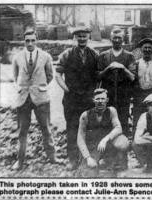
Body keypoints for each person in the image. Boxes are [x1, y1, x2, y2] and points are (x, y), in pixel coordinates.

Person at [55, 25, 99, 170]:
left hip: (88, 99)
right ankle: (73, 160)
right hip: (72, 100)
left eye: (84, 35)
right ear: (75, 37)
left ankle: (88, 157)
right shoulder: (66, 54)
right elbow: (58, 74)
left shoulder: (94, 54)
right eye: (78, 36)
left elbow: (99, 75)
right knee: (72, 128)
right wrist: (66, 89)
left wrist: (96, 92)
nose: (81, 38)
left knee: (89, 128)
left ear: (88, 37)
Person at [11, 29, 55, 170]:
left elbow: (50, 76)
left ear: (37, 40)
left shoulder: (46, 56)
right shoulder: (17, 57)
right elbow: (15, 77)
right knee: (22, 131)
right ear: (24, 41)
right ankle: (20, 160)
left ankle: (52, 157)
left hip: (41, 98)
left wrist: (39, 87)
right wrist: (22, 88)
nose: (30, 43)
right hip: (23, 99)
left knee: (46, 128)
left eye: (33, 40)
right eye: (27, 40)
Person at [77, 88, 130, 177]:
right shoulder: (85, 115)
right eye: (97, 99)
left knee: (122, 142)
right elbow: (80, 139)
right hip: (93, 146)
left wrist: (105, 139)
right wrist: (88, 157)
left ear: (107, 100)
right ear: (93, 100)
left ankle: (120, 166)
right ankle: (94, 163)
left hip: (107, 144)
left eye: (103, 99)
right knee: (89, 173)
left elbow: (118, 128)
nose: (100, 101)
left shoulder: (111, 111)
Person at [97, 27, 135, 138]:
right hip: (107, 90)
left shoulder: (129, 56)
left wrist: (123, 68)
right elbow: (98, 76)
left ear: (123, 39)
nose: (117, 40)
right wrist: (109, 68)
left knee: (123, 115)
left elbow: (133, 77)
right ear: (110, 39)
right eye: (114, 38)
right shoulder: (103, 55)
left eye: (119, 38)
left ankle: (123, 142)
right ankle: (107, 140)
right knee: (107, 114)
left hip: (124, 91)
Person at [131, 38, 152, 134]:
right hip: (139, 95)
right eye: (145, 47)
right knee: (138, 116)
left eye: (150, 48)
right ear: (141, 49)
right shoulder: (136, 63)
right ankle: (136, 138)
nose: (147, 50)